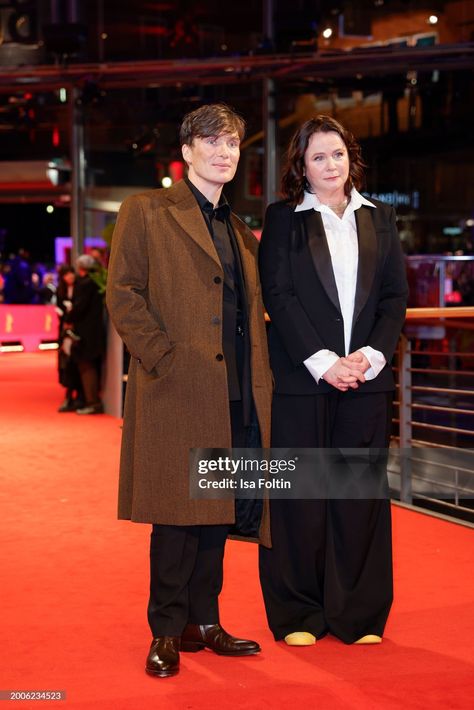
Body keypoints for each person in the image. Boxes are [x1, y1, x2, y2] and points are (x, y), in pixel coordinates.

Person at [106, 103, 272, 678]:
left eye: (233, 143)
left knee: (215, 514)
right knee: (175, 517)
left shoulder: (239, 229)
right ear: (187, 151)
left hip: (233, 392)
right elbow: (123, 292)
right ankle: (166, 629)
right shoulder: (148, 210)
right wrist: (162, 357)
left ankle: (205, 620)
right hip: (176, 384)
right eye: (213, 142)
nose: (225, 152)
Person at [258, 115, 408, 647]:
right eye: (317, 156)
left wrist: (368, 356)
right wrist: (324, 361)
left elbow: (393, 298)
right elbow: (278, 295)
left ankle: (359, 615)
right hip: (303, 379)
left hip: (365, 380)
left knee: (358, 498)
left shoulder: (381, 218)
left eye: (337, 154)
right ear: (301, 166)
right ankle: (299, 613)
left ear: (351, 160)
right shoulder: (283, 219)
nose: (330, 165)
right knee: (299, 497)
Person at [67, 255, 106, 415]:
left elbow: (79, 308)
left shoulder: (84, 284)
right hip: (96, 332)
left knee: (86, 366)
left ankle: (93, 402)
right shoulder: (97, 283)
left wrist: (68, 317)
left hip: (85, 334)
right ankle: (92, 401)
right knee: (90, 366)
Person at [56, 265, 84, 412]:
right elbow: (58, 308)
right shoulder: (60, 290)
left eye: (71, 273)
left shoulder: (80, 287)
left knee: (75, 363)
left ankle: (78, 396)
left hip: (78, 332)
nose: (69, 276)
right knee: (66, 364)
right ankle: (68, 396)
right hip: (65, 333)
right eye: (66, 274)